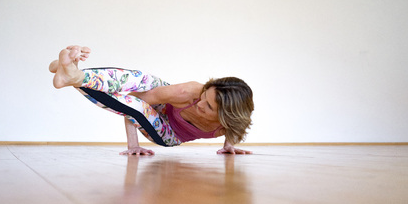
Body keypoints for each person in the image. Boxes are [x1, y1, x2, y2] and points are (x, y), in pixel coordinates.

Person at [49, 45, 254, 155]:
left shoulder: (230, 125)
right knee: (141, 80)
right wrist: (133, 145)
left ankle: (72, 73)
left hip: (168, 134)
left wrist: (229, 145)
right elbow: (138, 97)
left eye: (208, 106)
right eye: (204, 96)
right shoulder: (189, 92)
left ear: (226, 117)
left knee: (135, 106)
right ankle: (76, 76)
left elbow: (135, 107)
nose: (200, 103)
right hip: (164, 102)